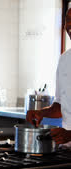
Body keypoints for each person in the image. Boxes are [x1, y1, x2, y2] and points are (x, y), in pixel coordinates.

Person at [26, 8, 71, 146]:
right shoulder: (65, 60)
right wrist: (41, 113)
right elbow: (60, 106)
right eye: (67, 20)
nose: (70, 25)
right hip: (67, 149)